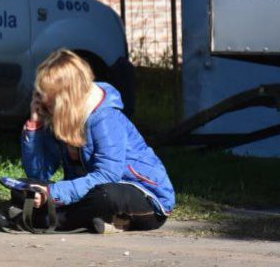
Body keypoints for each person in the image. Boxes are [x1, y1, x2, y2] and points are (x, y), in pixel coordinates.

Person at [19, 49, 175, 233]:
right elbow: (39, 173)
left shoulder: (105, 118)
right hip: (90, 193)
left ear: (66, 96)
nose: (42, 101)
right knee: (25, 187)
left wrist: (54, 194)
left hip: (145, 199)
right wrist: (34, 125)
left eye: (48, 97)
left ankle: (48, 219)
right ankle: (95, 221)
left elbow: (108, 176)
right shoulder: (62, 117)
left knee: (106, 196)